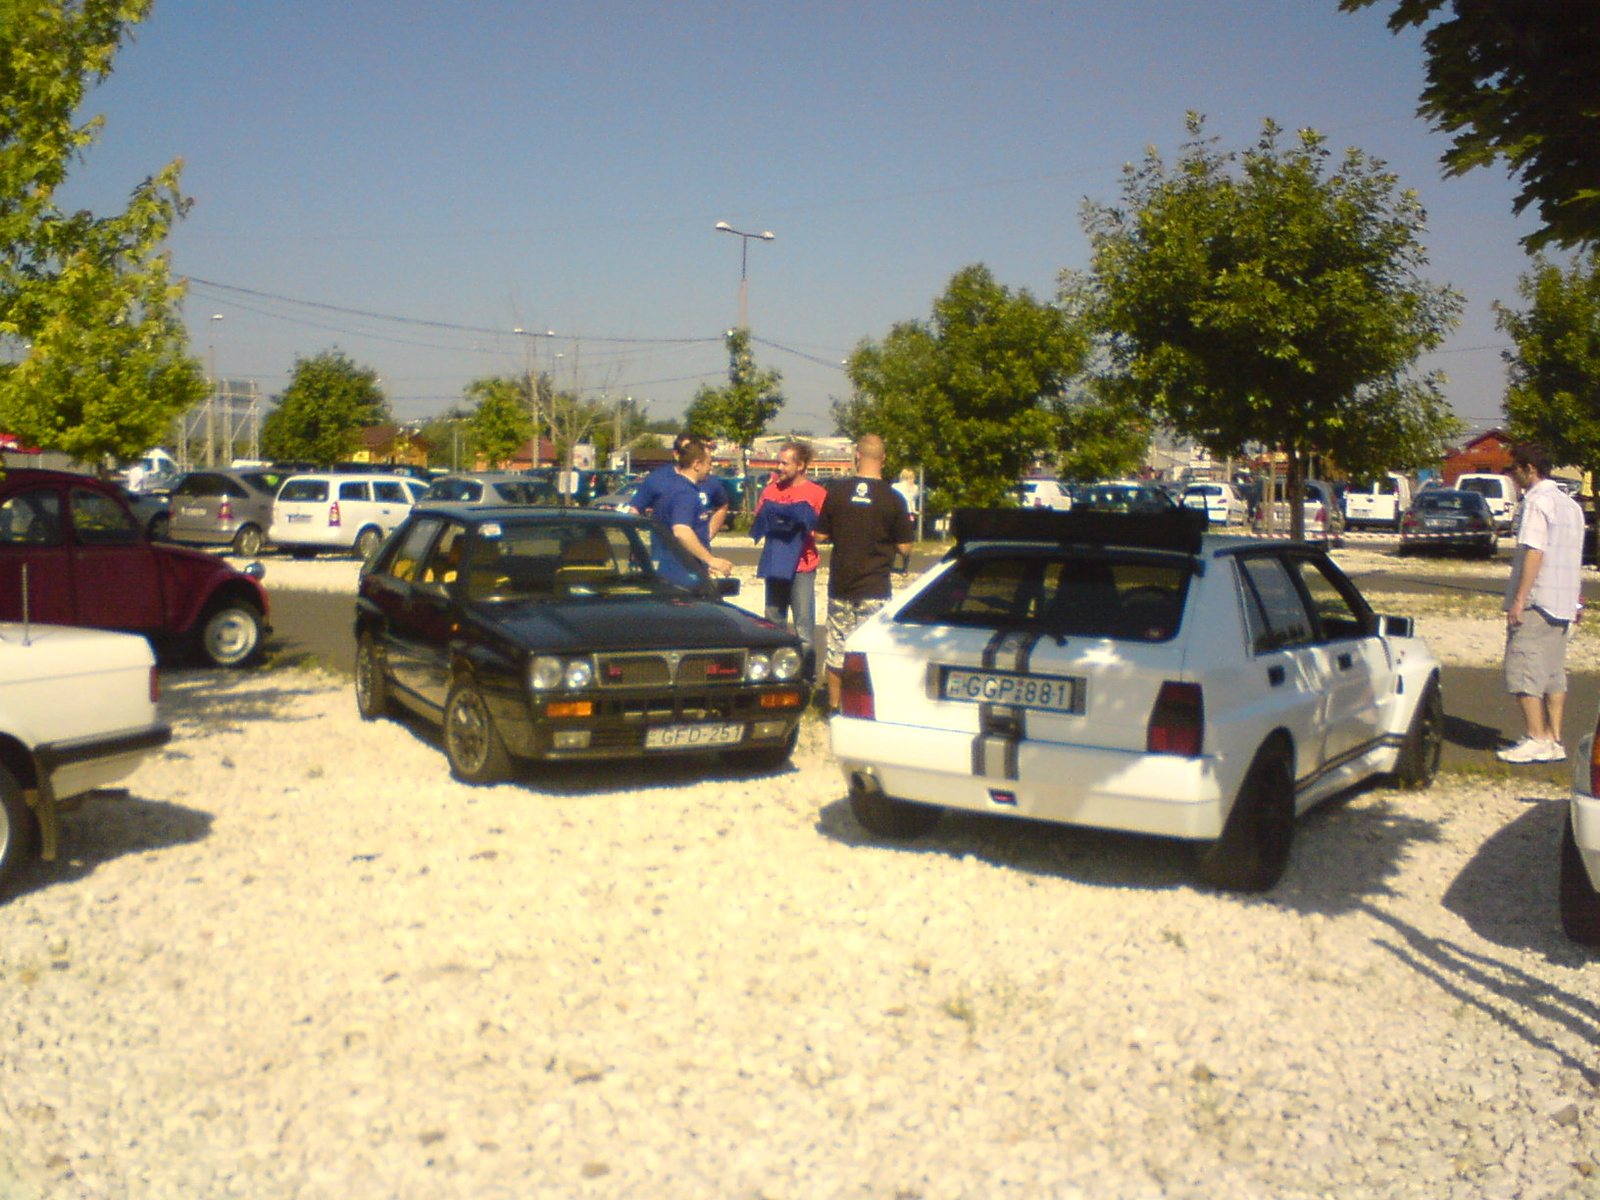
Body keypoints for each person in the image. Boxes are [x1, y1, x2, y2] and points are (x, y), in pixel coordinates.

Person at [1497, 442, 1585, 764]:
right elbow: (1573, 555)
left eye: (1515, 469)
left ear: (1529, 469)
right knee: (1552, 672)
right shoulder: (1569, 505)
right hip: (1563, 602)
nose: (1513, 475)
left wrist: (1520, 599)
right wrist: (1577, 600)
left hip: (1538, 600)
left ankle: (1535, 736)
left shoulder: (1536, 502)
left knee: (1522, 668)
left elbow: (1535, 550)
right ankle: (1554, 738)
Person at [814, 434, 913, 712]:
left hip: (842, 584)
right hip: (875, 587)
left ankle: (834, 706)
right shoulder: (894, 499)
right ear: (884, 459)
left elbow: (819, 535)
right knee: (869, 650)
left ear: (856, 455)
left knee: (836, 648)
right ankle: (866, 706)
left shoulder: (838, 492)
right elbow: (905, 547)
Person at [750, 440, 827, 678]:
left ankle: (806, 678)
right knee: (773, 623)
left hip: (803, 568)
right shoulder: (770, 491)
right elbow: (758, 519)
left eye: (785, 463)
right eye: (778, 462)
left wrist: (808, 529)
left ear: (801, 465)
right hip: (775, 564)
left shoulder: (817, 493)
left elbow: (824, 534)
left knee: (803, 627)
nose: (779, 467)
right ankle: (774, 676)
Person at [655, 437, 734, 578]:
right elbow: (681, 531)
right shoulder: (685, 493)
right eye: (709, 463)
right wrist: (710, 560)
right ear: (697, 464)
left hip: (675, 566)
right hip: (683, 571)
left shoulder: (673, 486)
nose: (711, 468)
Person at [628, 431, 731, 537]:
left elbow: (722, 506)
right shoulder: (657, 478)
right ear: (676, 454)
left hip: (696, 550)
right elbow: (635, 509)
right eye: (687, 449)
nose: (692, 453)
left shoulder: (709, 480)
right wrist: (635, 540)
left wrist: (708, 535)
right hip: (666, 550)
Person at [891, 467, 920, 572]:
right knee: (907, 541)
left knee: (893, 540)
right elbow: (913, 501)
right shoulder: (915, 488)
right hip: (910, 515)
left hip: (898, 514)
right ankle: (905, 568)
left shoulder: (895, 486)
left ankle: (891, 565)